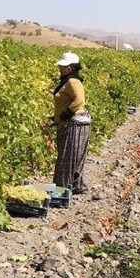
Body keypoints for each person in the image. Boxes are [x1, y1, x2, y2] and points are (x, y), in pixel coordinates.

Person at [53, 51, 91, 194]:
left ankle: (63, 188)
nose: (60, 69)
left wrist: (66, 114)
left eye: (63, 66)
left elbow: (79, 100)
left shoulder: (73, 81)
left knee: (68, 157)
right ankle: (71, 186)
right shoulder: (67, 81)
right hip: (69, 123)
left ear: (70, 68)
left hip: (74, 124)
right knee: (69, 156)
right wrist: (57, 117)